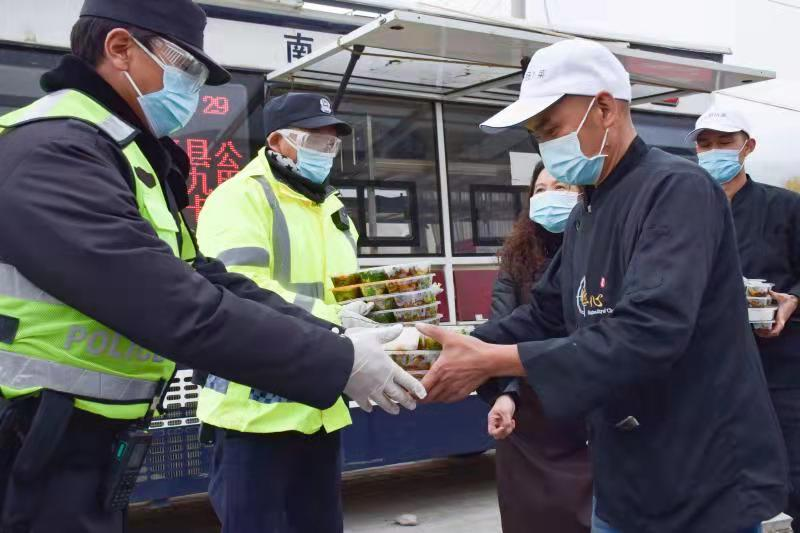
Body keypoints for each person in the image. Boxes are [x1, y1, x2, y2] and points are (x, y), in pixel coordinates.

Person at [0, 2, 424, 532]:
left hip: (81, 436)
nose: (195, 91)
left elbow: (202, 277)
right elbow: (171, 305)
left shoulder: (120, 152)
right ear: (119, 48)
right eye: (187, 68)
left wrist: (337, 334)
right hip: (30, 435)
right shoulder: (56, 151)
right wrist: (338, 361)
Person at [416, 38, 787, 533]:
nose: (544, 144)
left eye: (550, 128)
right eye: (536, 134)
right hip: (625, 474)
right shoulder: (587, 211)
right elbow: (547, 312)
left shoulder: (677, 190)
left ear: (605, 108)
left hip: (701, 475)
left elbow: (649, 330)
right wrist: (438, 349)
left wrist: (495, 361)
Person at [194, 92, 394, 533]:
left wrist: (378, 310)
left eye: (332, 143)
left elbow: (339, 290)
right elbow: (238, 290)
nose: (326, 151)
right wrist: (336, 319)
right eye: (314, 141)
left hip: (319, 405)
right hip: (255, 415)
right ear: (278, 142)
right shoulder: (240, 198)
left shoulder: (332, 206)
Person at [690, 104, 800, 520]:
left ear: (747, 147)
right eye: (705, 143)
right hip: (707, 367)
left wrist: (792, 299)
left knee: (792, 473)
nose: (713, 151)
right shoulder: (684, 210)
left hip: (780, 367)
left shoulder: (786, 206)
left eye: (724, 142)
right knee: (723, 476)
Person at [485, 162, 591, 533]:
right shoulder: (515, 258)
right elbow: (505, 326)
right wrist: (506, 395)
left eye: (560, 187)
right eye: (540, 190)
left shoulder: (601, 250)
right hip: (528, 407)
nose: (548, 197)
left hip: (588, 406)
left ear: (583, 194)